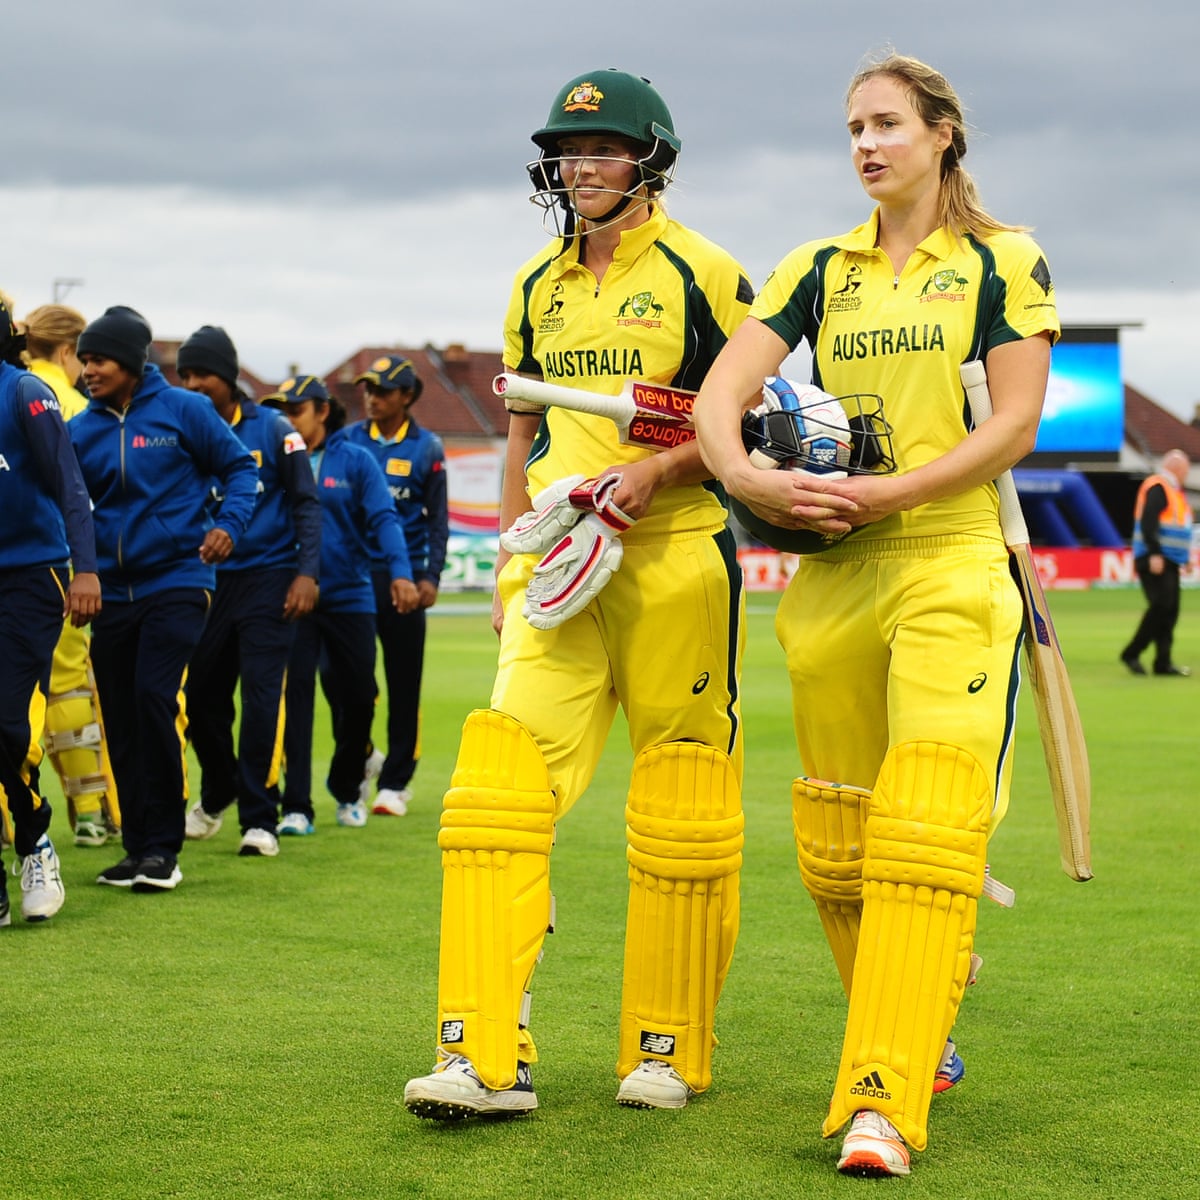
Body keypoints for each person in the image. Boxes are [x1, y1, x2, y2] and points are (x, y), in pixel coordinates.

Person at [693, 53, 1059, 1177]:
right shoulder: (816, 266)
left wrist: (897, 490)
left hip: (950, 558)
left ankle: (880, 1102)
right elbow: (721, 396)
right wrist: (748, 483)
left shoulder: (1001, 260)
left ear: (943, 134)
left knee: (926, 828)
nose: (866, 144)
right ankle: (919, 1018)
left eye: (888, 124)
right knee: (841, 850)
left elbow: (1013, 425)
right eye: (854, 127)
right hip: (834, 576)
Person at [404, 68, 753, 1121]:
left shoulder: (709, 272)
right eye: (567, 150)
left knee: (683, 800)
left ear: (651, 159)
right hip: (558, 566)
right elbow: (521, 434)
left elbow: (741, 421)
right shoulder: (533, 284)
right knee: (499, 794)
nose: (580, 166)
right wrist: (515, 562)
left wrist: (654, 474)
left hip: (675, 554)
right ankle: (480, 1054)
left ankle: (666, 1047)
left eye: (600, 148)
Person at [69, 306, 258, 892]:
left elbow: (242, 471)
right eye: (84, 359)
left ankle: (164, 850)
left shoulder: (185, 410)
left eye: (97, 359)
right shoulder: (81, 429)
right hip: (111, 595)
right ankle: (137, 848)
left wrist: (228, 523)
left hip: (178, 579)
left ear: (128, 360)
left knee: (153, 697)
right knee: (119, 717)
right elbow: (64, 504)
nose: (87, 369)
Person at [177, 326, 322, 858]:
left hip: (270, 580)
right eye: (184, 375)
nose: (192, 385)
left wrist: (308, 573)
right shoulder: (183, 429)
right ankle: (219, 789)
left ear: (229, 376)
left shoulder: (277, 429)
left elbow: (306, 503)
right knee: (201, 701)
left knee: (262, 700)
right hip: (206, 582)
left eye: (202, 375)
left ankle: (259, 819)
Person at [264, 376, 417, 834]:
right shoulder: (274, 459)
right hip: (292, 596)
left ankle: (348, 788)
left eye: (294, 411)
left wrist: (403, 572)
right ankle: (296, 806)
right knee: (296, 699)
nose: (285, 420)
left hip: (350, 595)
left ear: (322, 411)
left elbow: (384, 518)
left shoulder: (356, 461)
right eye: (280, 411)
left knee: (358, 699)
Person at [0, 295, 99, 924]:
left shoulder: (26, 393)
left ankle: (34, 839)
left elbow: (69, 483)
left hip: (30, 578)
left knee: (8, 719)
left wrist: (84, 569)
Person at [19, 303, 122, 849]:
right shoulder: (75, 405)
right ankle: (88, 810)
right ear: (67, 350)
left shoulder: (12, 386)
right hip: (52, 568)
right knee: (66, 687)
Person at [345, 355, 449, 816]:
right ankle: (366, 755)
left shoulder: (427, 448)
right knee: (348, 681)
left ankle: (395, 782)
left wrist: (430, 577)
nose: (372, 398)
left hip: (404, 578)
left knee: (404, 683)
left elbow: (438, 521)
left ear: (407, 397)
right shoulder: (348, 441)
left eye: (383, 391)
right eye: (368, 389)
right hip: (353, 577)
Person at [1120, 449, 1192, 677]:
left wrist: (1184, 557)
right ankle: (1132, 652)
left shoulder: (1172, 491)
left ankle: (1163, 662)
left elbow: (1177, 527)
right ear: (1177, 468)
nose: (1187, 474)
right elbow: (1149, 521)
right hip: (1155, 558)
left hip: (1169, 558)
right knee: (1162, 606)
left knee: (1169, 610)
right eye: (1186, 469)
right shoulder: (1159, 487)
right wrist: (1154, 553)